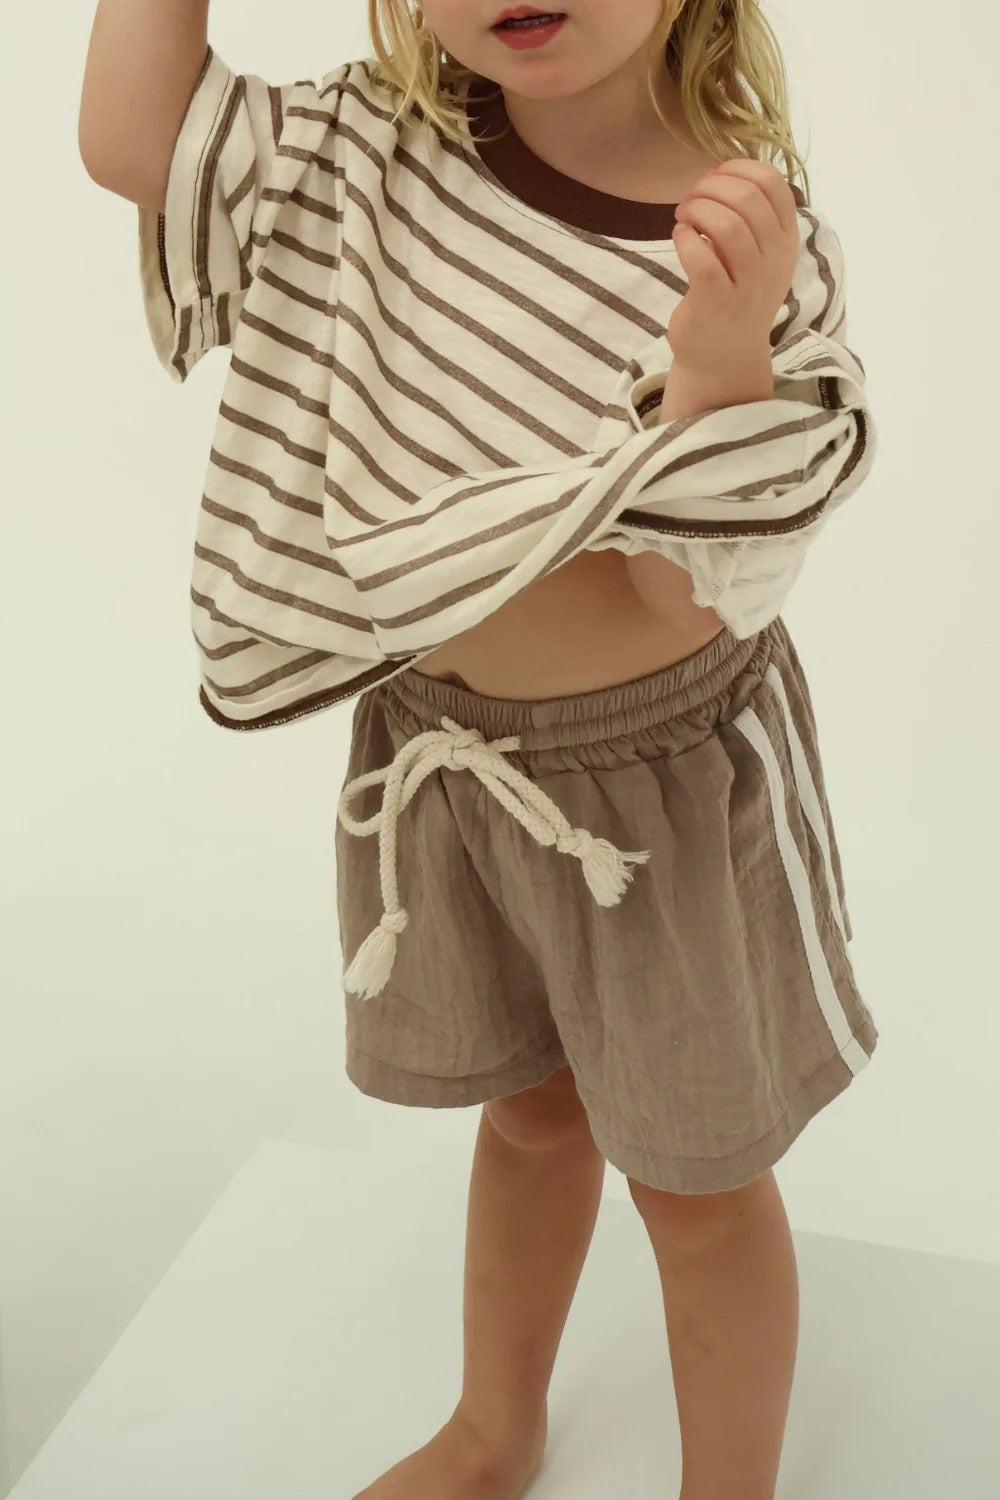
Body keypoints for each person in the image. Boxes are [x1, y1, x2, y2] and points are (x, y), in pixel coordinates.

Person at [79, 2, 880, 1497]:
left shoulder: (745, 243)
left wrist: (719, 359)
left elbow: (688, 591)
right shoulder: (369, 154)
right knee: (528, 1113)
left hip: (652, 794)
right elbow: (135, 141)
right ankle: (493, 1430)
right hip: (444, 752)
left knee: (697, 1187)